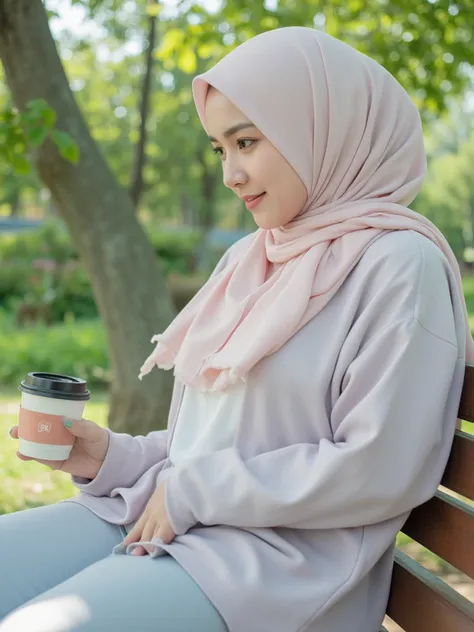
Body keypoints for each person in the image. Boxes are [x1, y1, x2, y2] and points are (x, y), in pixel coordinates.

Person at [0, 25, 472, 632]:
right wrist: (112, 457)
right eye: (221, 150)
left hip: (280, 571)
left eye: (247, 141)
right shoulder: (254, 259)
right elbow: (208, 447)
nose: (231, 174)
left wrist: (198, 493)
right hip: (178, 524)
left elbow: (378, 468)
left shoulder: (400, 265)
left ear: (322, 130)